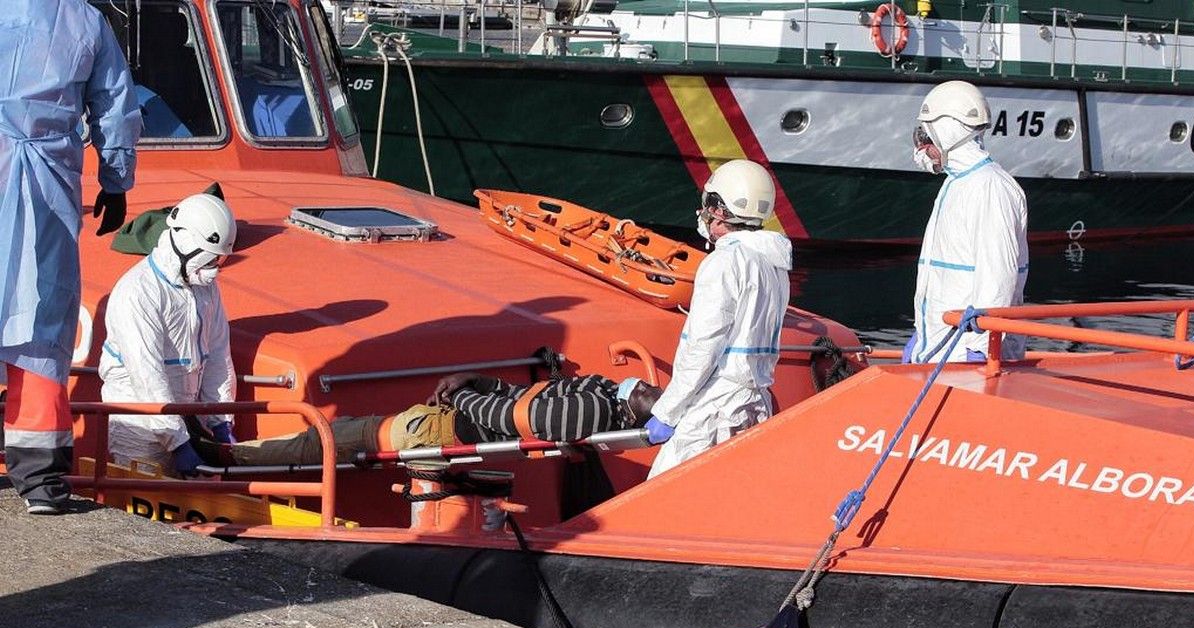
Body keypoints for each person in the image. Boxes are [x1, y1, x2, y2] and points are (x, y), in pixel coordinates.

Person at [0, 0, 142, 514]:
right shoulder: (83, 18)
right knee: (43, 319)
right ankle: (41, 480)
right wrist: (116, 180)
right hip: (46, 183)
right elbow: (113, 103)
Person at [645, 159, 793, 479]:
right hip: (754, 404)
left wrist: (667, 413)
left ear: (719, 210)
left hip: (715, 410)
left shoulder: (723, 263)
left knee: (664, 495)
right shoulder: (774, 267)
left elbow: (703, 348)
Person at [198, 374, 661, 467]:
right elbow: (518, 395)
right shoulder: (603, 392)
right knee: (344, 432)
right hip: (439, 420)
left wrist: (461, 394)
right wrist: (476, 379)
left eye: (652, 396)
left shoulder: (594, 409)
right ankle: (233, 453)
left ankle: (228, 458)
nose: (649, 388)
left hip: (439, 431)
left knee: (329, 440)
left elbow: (515, 416)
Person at [99, 193, 237, 476]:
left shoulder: (204, 288)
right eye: (210, 259)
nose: (215, 269)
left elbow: (218, 357)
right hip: (138, 428)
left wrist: (221, 421)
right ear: (186, 244)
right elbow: (147, 375)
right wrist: (177, 442)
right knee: (138, 510)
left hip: (186, 420)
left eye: (219, 260)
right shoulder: (137, 293)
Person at [905, 80, 1029, 364]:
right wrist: (920, 337)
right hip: (938, 349)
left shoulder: (990, 188)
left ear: (949, 131)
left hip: (965, 355)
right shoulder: (957, 183)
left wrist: (981, 347)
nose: (922, 147)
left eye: (927, 136)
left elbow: (998, 278)